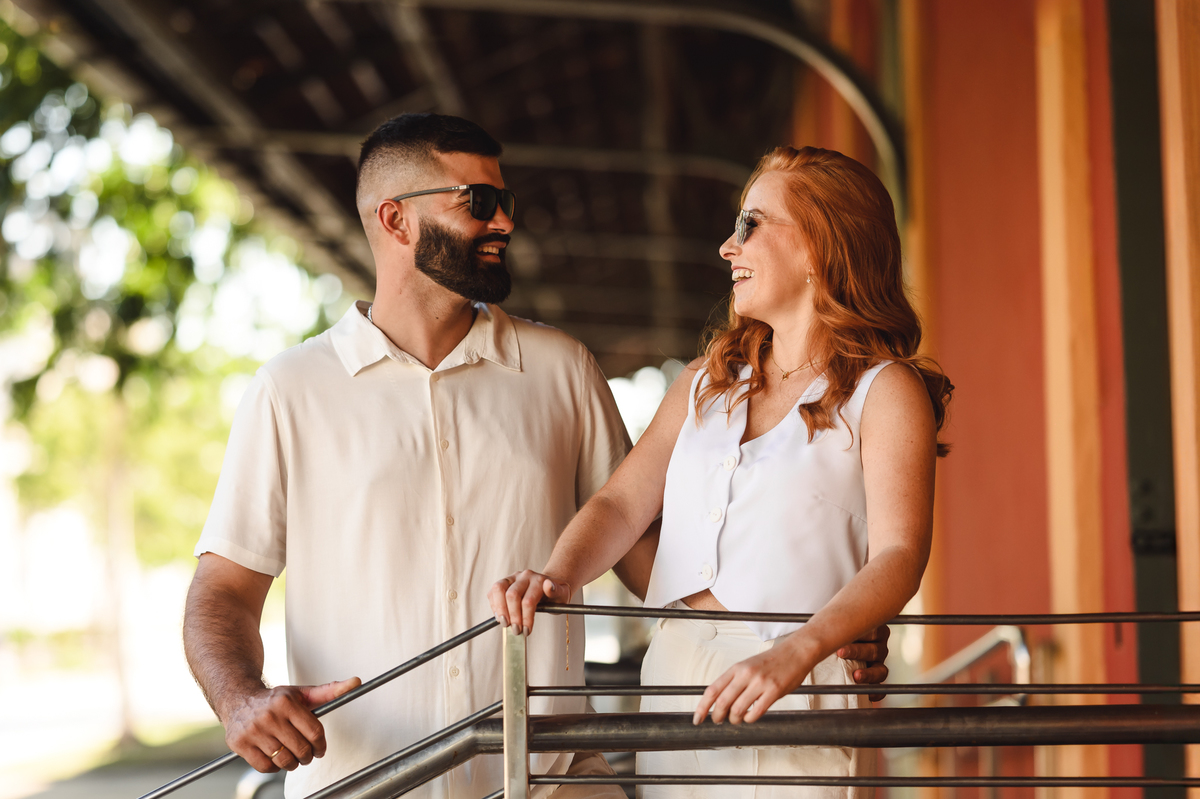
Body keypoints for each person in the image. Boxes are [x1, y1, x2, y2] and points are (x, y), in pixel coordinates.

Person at [183, 115, 891, 799]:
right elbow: (222, 591)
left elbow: (654, 541)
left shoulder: (561, 370)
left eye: (505, 202)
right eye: (480, 203)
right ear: (395, 221)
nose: (505, 223)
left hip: (551, 782)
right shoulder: (289, 390)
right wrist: (239, 698)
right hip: (363, 781)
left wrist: (810, 623)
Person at [490, 145, 952, 798]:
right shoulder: (705, 381)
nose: (726, 247)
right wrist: (556, 573)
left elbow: (901, 554)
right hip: (675, 672)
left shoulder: (886, 391)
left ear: (822, 242)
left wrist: (801, 649)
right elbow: (623, 505)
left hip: (791, 682)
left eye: (751, 224)